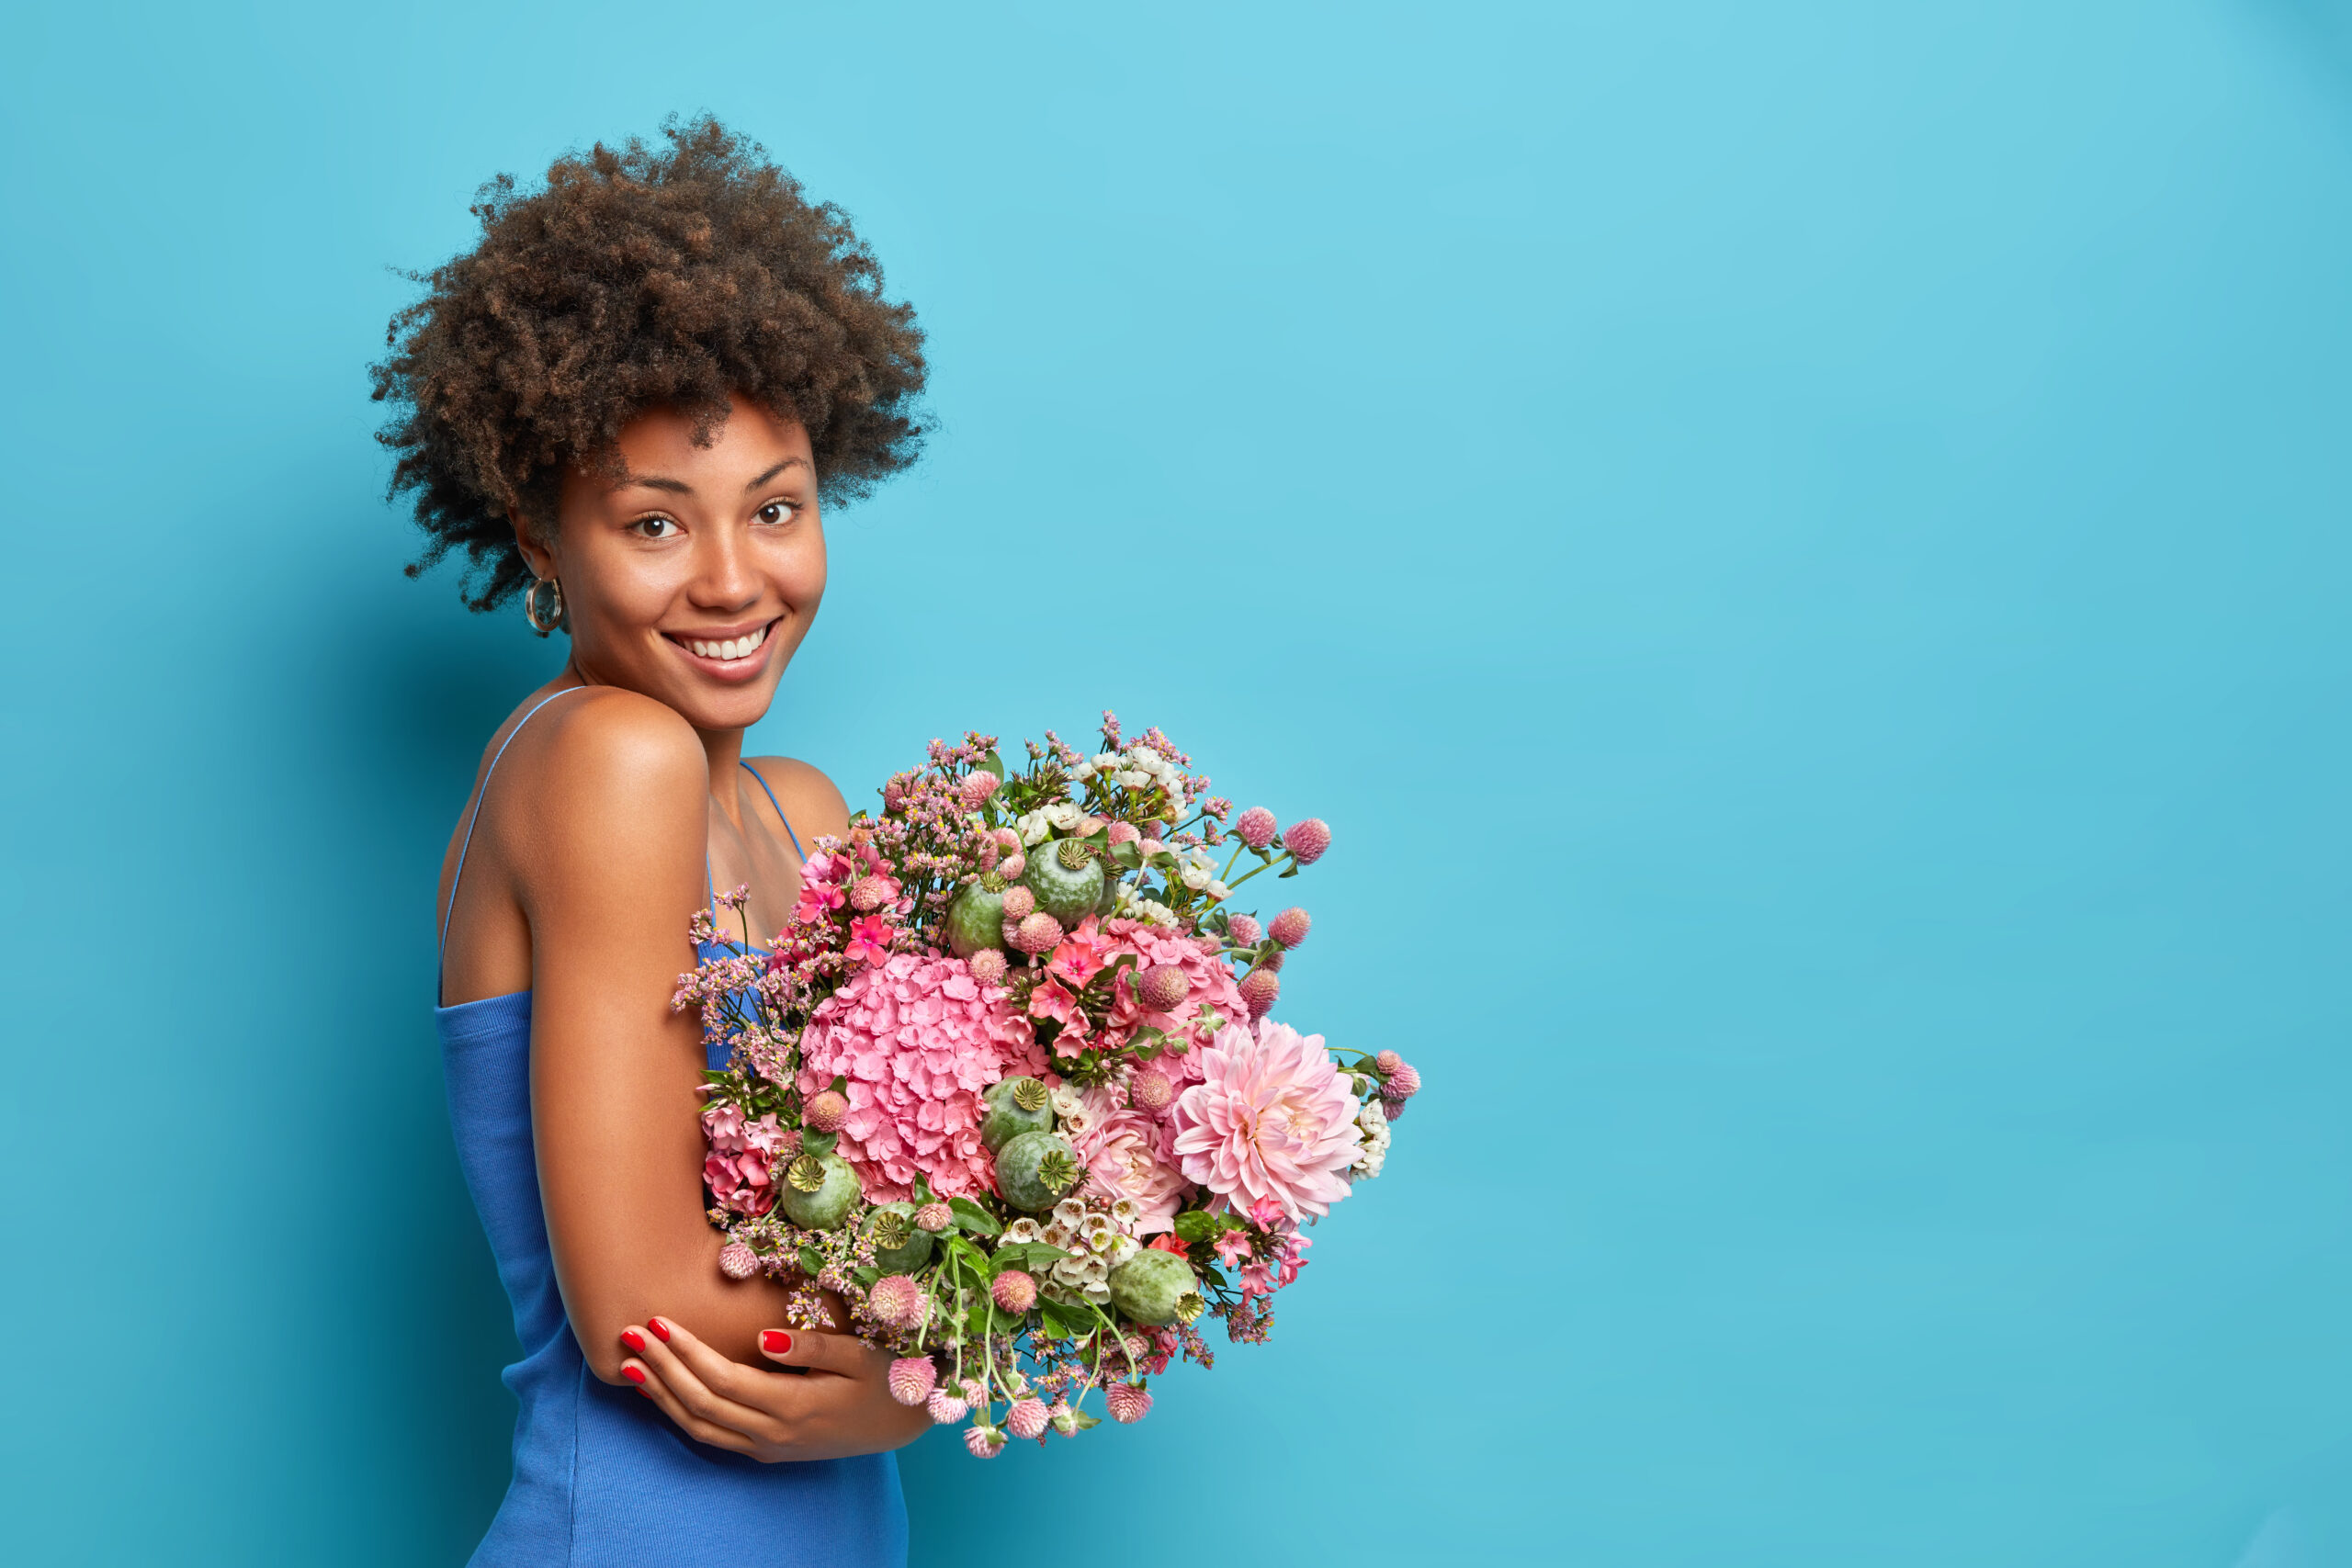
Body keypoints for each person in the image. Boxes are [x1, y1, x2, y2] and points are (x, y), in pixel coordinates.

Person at [377, 118, 931, 1566]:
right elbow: (646, 1311)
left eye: (779, 508)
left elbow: (906, 1201)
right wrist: (952, 1364)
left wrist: (925, 1378)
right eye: (653, 524)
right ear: (542, 535)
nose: (735, 580)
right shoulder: (606, 760)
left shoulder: (800, 813)